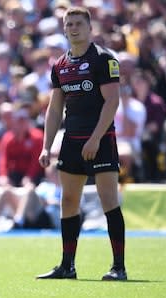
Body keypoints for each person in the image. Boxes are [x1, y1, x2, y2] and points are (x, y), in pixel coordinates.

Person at [37, 6, 127, 280]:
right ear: (64, 29)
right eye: (69, 24)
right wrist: (45, 145)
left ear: (90, 28)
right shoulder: (60, 66)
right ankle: (67, 266)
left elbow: (112, 101)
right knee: (69, 201)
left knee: (108, 200)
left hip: (101, 140)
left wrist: (96, 138)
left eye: (78, 23)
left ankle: (118, 268)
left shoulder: (103, 59)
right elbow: (54, 110)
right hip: (72, 141)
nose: (73, 28)